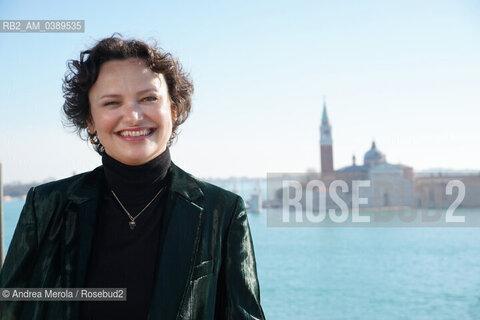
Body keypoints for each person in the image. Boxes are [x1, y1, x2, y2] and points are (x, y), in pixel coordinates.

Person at [0, 35, 265, 320]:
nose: (134, 115)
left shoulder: (222, 212)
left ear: (173, 110)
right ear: (90, 120)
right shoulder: (46, 205)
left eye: (149, 98)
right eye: (112, 103)